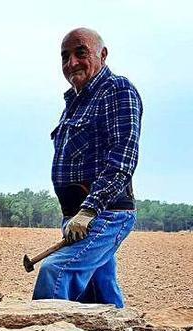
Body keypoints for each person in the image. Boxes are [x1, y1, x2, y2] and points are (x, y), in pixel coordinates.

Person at [32, 27, 142, 308]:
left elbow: (122, 158)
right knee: (100, 293)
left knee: (55, 272)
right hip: (76, 219)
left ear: (102, 55)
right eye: (65, 57)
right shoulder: (74, 102)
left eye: (81, 53)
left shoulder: (117, 90)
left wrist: (89, 210)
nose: (72, 63)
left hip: (103, 214)